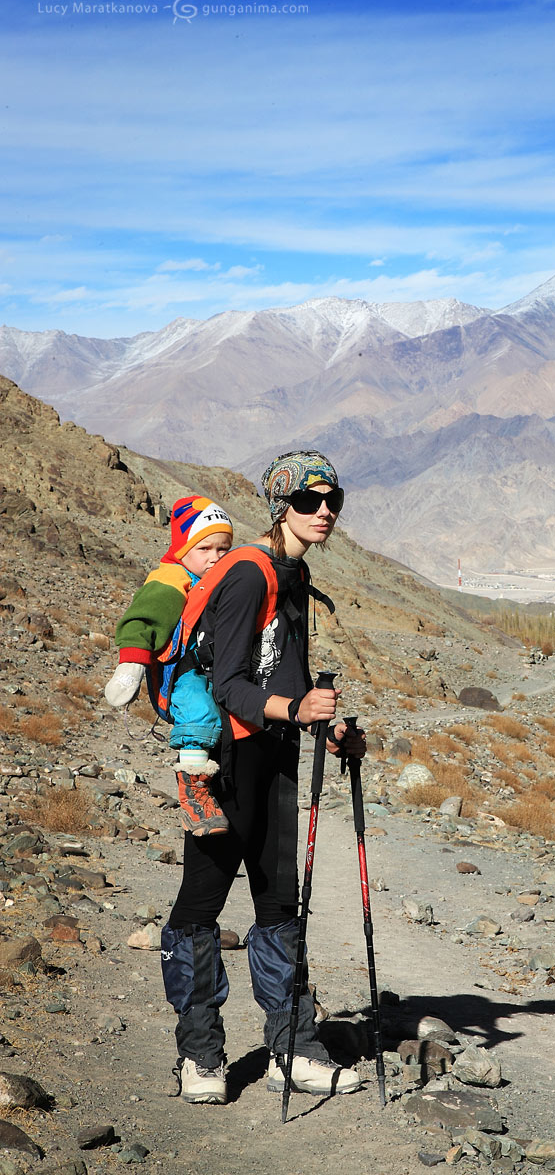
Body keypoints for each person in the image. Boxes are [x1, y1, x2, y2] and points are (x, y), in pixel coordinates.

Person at [160, 450, 366, 1106]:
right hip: (226, 762)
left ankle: (293, 1047)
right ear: (282, 507)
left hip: (276, 758)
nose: (324, 511)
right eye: (309, 502)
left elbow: (288, 673)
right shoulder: (249, 572)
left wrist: (326, 727)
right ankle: (199, 1056)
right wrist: (293, 709)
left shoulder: (293, 574)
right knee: (200, 909)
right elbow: (228, 685)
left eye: (332, 500)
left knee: (280, 908)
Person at [104, 495, 234, 835]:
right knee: (198, 710)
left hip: (219, 669)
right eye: (204, 548)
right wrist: (130, 666)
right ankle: (194, 791)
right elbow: (143, 619)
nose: (215, 558)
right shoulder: (171, 578)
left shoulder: (225, 578)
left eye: (223, 548)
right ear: (182, 549)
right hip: (184, 671)